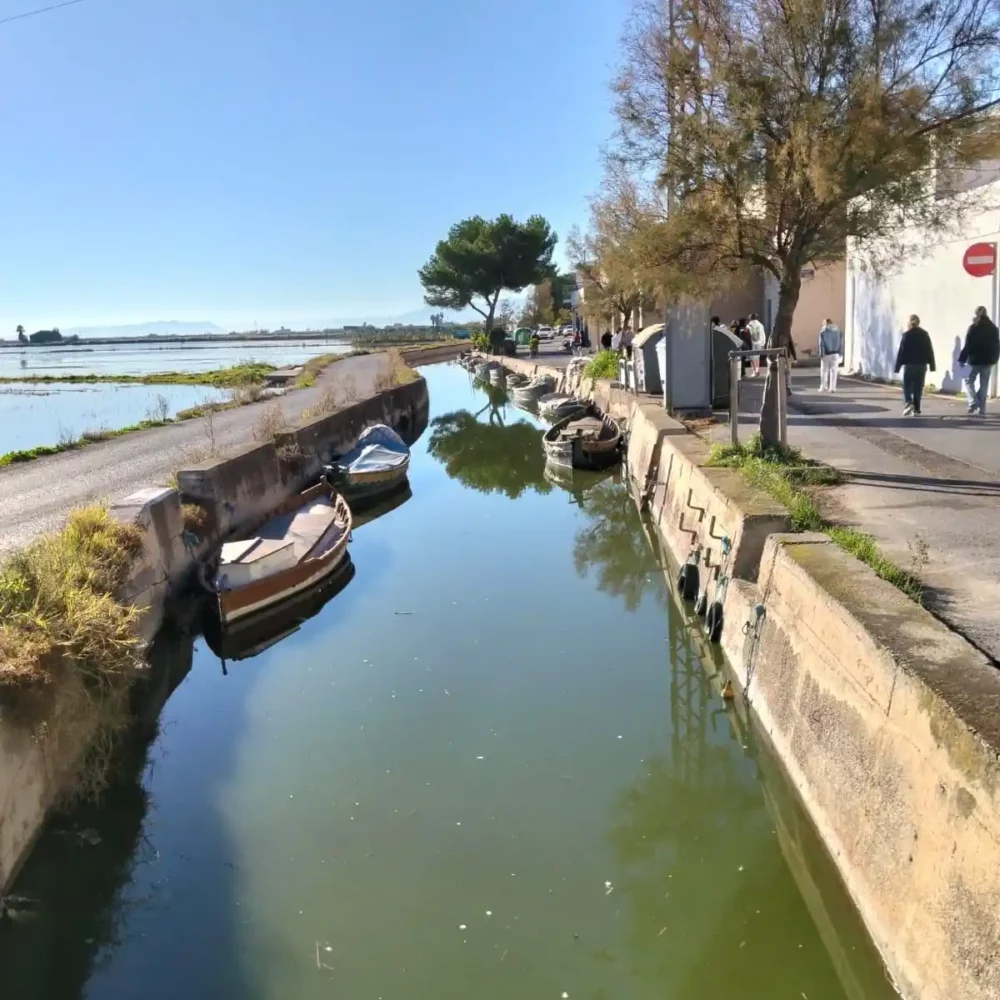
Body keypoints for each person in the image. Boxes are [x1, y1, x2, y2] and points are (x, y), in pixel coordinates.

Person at [959, 305, 999, 416]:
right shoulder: (994, 328)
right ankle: (982, 409)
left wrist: (962, 359)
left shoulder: (973, 327)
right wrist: (995, 358)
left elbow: (968, 345)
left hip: (974, 360)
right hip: (988, 361)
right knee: (984, 385)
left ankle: (973, 402)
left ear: (976, 314)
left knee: (968, 381)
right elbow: (997, 345)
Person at [893, 315, 935, 415]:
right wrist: (932, 365)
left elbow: (901, 352)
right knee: (918, 387)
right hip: (921, 365)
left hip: (910, 365)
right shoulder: (924, 334)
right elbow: (929, 350)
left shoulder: (906, 335)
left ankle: (909, 402)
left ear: (909, 323)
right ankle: (916, 409)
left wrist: (897, 367)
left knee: (907, 386)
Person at [818, 318, 842, 392]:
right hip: (835, 353)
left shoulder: (823, 332)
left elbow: (821, 344)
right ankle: (832, 388)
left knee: (824, 370)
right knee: (834, 371)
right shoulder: (838, 331)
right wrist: (840, 353)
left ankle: (823, 387)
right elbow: (841, 343)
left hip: (826, 353)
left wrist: (821, 354)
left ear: (825, 324)